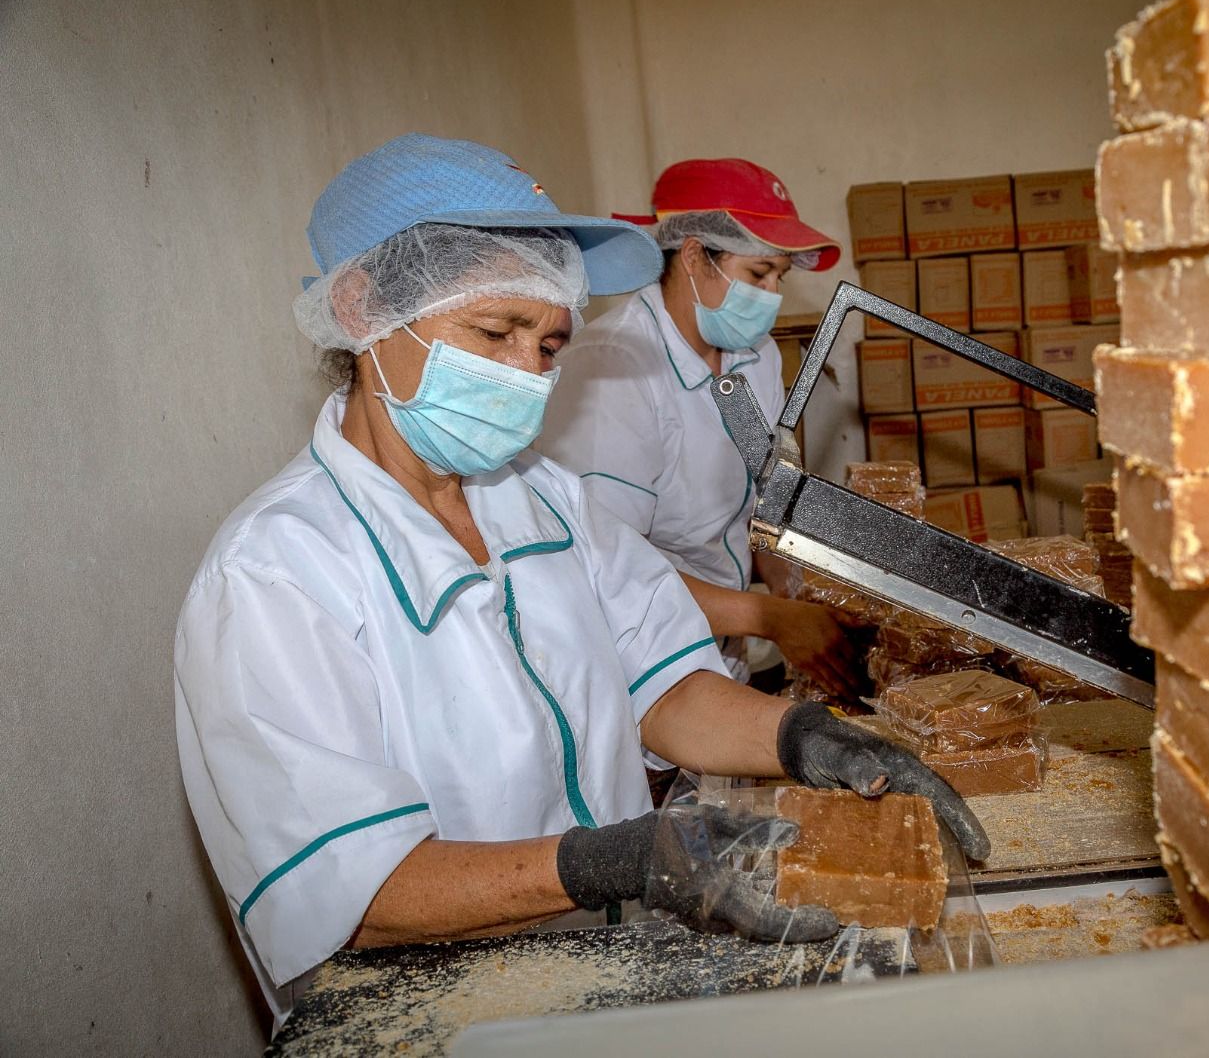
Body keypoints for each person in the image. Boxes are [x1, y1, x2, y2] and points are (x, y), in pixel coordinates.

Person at [173, 134, 986, 1029]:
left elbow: (664, 688)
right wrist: (621, 861)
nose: (528, 373)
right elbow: (355, 893)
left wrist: (807, 738)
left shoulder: (545, 499)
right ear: (363, 309)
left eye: (550, 344)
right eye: (495, 333)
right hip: (439, 1020)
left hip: (606, 979)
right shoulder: (275, 574)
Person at [537, 159, 864, 697]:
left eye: (779, 277)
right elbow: (609, 567)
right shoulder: (614, 368)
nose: (772, 294)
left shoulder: (756, 357)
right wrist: (770, 617)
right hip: (638, 669)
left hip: (722, 649)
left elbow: (763, 500)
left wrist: (794, 593)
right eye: (759, 274)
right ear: (693, 256)